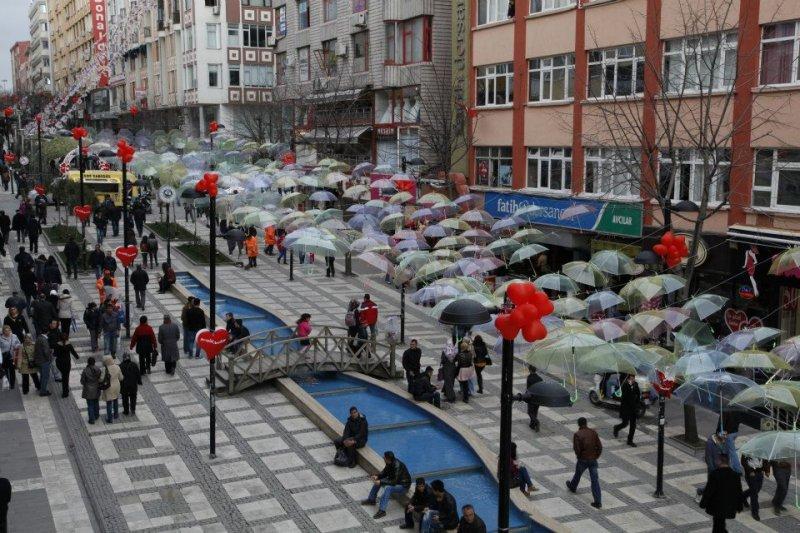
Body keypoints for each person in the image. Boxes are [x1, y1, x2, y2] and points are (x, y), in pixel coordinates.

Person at [361, 451, 412, 519]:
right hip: (396, 482)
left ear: (387, 459)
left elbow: (394, 481)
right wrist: (378, 476)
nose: (383, 457)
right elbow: (384, 472)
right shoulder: (389, 462)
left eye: (384, 457)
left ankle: (382, 510)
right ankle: (371, 499)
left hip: (403, 485)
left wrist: (381, 481)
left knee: (388, 488)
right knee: (378, 481)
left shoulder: (397, 466)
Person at [699, 454, 743, 533]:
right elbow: (739, 492)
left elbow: (709, 491)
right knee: (719, 525)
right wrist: (739, 506)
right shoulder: (735, 475)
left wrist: (703, 503)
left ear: (720, 461)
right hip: (728, 505)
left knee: (718, 526)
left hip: (716, 506)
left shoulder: (715, 474)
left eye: (717, 460)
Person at [566, 417, 603, 509]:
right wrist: (596, 456)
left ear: (579, 424)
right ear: (586, 423)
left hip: (583, 459)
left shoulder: (577, 434)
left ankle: (573, 487)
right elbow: (600, 446)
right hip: (593, 459)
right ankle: (598, 502)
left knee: (578, 473)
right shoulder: (593, 432)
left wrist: (579, 456)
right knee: (594, 480)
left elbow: (577, 448)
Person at [613, 374, 640, 447]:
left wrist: (637, 405)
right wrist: (629, 389)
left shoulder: (636, 385)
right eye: (630, 379)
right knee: (625, 423)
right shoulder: (624, 385)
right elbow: (622, 397)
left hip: (633, 409)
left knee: (633, 426)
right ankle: (616, 428)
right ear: (628, 379)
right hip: (626, 408)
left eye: (633, 379)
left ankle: (630, 440)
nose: (632, 380)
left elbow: (638, 394)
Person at [741, 453, 768, 521]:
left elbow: (766, 460)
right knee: (754, 493)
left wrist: (766, 470)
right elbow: (743, 462)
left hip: (759, 472)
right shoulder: (747, 451)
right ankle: (755, 512)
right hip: (751, 474)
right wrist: (750, 471)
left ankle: (743, 496)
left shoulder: (763, 450)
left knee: (757, 489)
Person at [52, 333, 79, 398]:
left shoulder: (57, 345)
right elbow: (74, 353)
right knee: (66, 377)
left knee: (63, 376)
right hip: (67, 363)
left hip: (59, 363)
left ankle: (65, 391)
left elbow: (54, 354)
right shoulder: (68, 345)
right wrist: (77, 357)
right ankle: (65, 391)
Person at [100, 354, 123, 423]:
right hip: (116, 386)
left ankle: (109, 418)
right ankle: (116, 415)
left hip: (108, 387)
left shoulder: (104, 369)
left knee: (109, 402)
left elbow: (101, 379)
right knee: (115, 400)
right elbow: (121, 378)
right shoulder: (117, 367)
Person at [80, 357, 102, 423]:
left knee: (90, 405)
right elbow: (100, 378)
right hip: (96, 389)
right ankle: (96, 415)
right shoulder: (98, 369)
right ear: (94, 362)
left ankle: (91, 419)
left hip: (88, 390)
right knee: (96, 403)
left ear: (88, 362)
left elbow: (82, 381)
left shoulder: (85, 371)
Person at [0, 325, 21, 390]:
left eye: (8, 330)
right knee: (5, 370)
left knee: (12, 370)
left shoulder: (14, 336)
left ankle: (12, 384)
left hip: (12, 356)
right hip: (4, 356)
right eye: (5, 331)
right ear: (3, 331)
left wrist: (16, 346)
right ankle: (7, 382)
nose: (7, 332)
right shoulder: (0, 338)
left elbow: (19, 343)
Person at [33, 331, 51, 396]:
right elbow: (46, 352)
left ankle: (41, 388)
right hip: (44, 361)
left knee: (42, 376)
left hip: (38, 360)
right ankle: (43, 391)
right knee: (45, 376)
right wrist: (49, 358)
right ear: (47, 332)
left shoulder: (39, 338)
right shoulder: (44, 340)